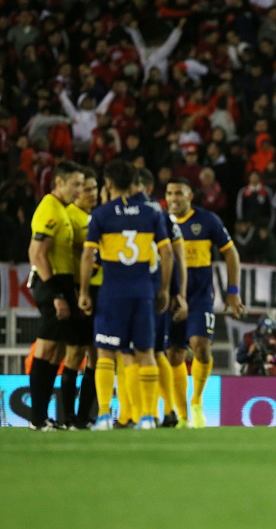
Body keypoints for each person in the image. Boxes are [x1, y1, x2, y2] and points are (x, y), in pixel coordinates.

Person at [78, 159, 172, 430]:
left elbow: (87, 254)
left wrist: (84, 291)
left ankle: (105, 415)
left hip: (112, 293)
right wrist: (164, 288)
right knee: (146, 353)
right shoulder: (152, 212)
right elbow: (166, 253)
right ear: (133, 182)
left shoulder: (102, 214)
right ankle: (146, 417)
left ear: (108, 183)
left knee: (105, 353)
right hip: (143, 293)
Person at [165, 176, 246, 428]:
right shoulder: (159, 222)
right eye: (169, 193)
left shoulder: (207, 220)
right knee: (174, 354)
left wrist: (233, 291)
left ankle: (197, 402)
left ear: (190, 196)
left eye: (179, 193)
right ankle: (182, 416)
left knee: (200, 345)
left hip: (199, 295)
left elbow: (231, 252)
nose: (173, 199)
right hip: (169, 296)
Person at [27, 161, 84, 430]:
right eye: (75, 184)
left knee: (57, 350)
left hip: (62, 284)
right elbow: (37, 254)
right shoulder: (49, 208)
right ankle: (36, 419)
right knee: (47, 348)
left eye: (82, 184)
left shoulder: (62, 210)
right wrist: (57, 294)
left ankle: (43, 416)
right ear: (59, 183)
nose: (79, 189)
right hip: (52, 284)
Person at [132, 168, 188, 427]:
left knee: (147, 352)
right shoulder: (163, 218)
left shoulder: (159, 217)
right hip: (147, 291)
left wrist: (177, 293)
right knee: (154, 352)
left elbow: (177, 258)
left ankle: (153, 412)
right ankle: (163, 411)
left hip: (151, 292)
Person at [63, 168, 100, 429]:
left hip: (100, 291)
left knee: (97, 356)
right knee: (75, 354)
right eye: (87, 189)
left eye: (95, 188)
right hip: (78, 290)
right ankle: (67, 417)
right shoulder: (69, 217)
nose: (92, 193)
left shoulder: (97, 217)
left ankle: (85, 416)